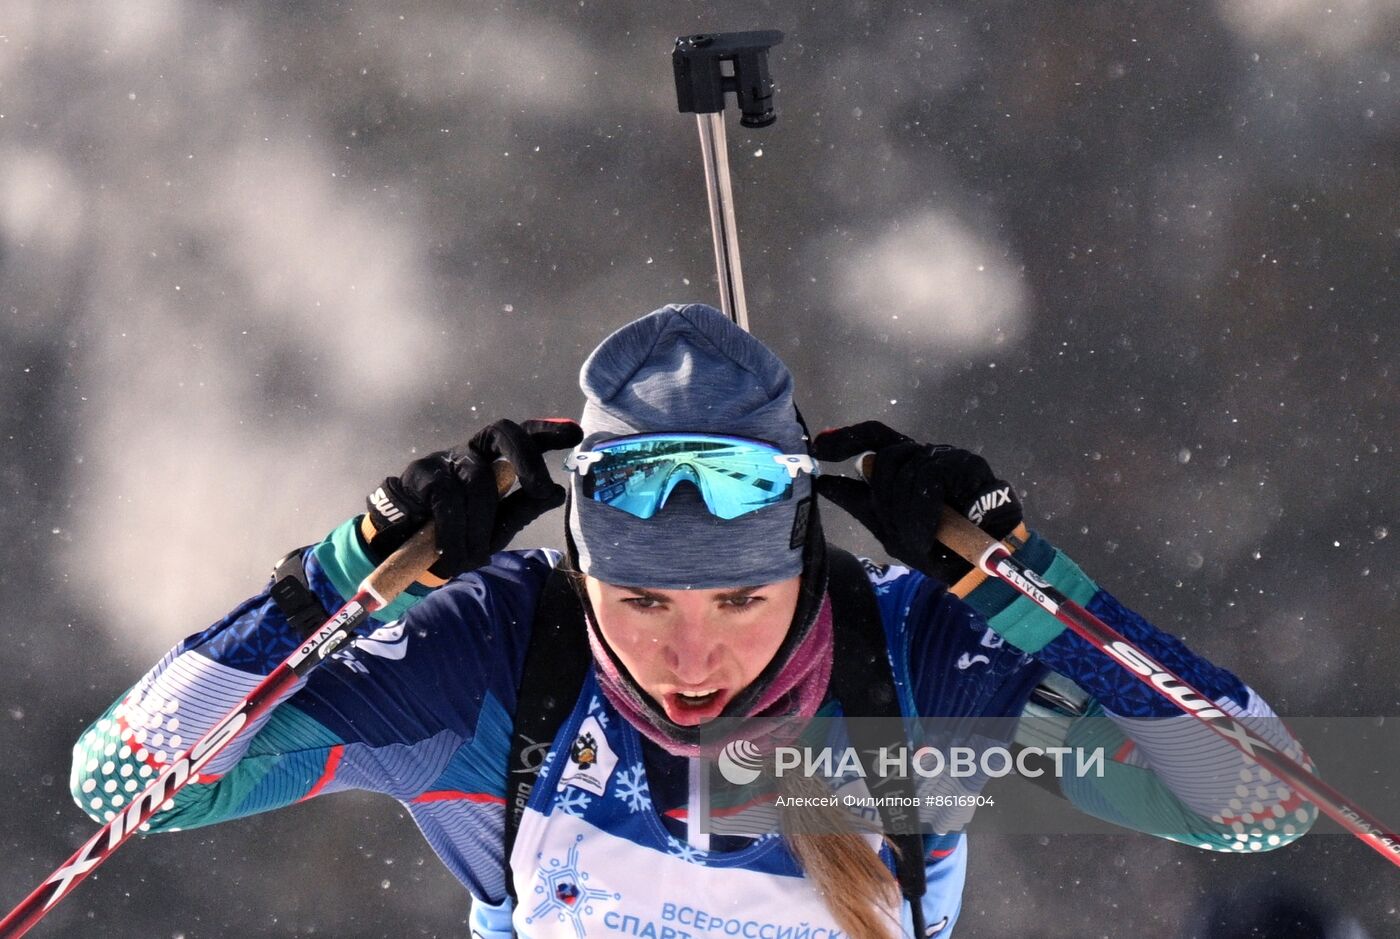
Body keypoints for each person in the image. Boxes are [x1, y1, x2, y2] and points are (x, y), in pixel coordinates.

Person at [70, 303, 1317, 939]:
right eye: (640, 600)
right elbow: (128, 779)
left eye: (739, 599)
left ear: (804, 567)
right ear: (580, 574)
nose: (689, 656)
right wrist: (349, 571)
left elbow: (1257, 803)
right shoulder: (499, 668)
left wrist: (1016, 579)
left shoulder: (909, 676)